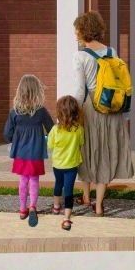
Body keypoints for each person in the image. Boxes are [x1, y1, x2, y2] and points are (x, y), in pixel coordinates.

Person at [73, 10, 134, 216]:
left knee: (87, 151)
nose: (75, 34)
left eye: (77, 30)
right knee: (106, 153)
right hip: (111, 108)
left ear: (84, 31)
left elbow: (79, 90)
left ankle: (86, 196)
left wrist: (71, 112)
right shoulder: (111, 51)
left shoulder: (80, 56)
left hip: (91, 108)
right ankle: (98, 204)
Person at [3, 74, 54, 227]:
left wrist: (15, 139)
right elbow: (52, 129)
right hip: (36, 152)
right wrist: (45, 139)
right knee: (34, 179)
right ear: (37, 91)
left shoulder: (14, 112)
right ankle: (33, 206)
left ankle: (22, 209)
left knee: (23, 179)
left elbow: (7, 134)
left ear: (20, 91)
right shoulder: (41, 111)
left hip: (20, 153)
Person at [47, 95, 84, 231]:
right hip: (72, 165)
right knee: (69, 190)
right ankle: (67, 218)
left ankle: (56, 207)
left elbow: (50, 145)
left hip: (58, 165)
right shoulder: (79, 129)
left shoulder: (55, 129)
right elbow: (81, 143)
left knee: (58, 184)